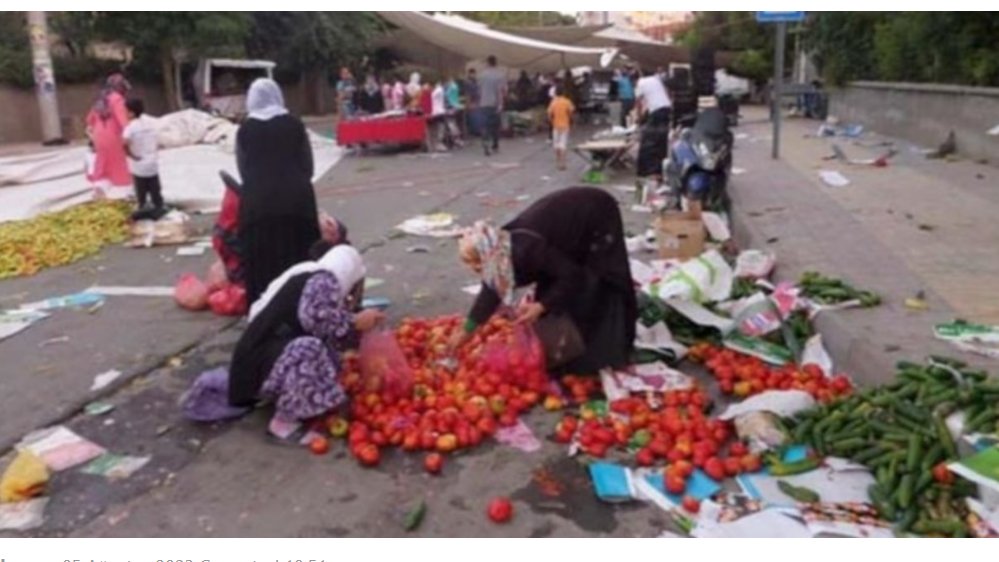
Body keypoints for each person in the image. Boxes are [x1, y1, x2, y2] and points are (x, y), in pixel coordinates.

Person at [452, 187, 637, 376]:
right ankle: (575, 350)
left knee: (597, 285)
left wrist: (541, 305)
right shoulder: (500, 252)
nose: (478, 271)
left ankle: (607, 352)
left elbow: (572, 275)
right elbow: (491, 291)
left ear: (488, 256)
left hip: (596, 215)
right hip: (566, 231)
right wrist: (467, 330)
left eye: (478, 266)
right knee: (556, 296)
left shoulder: (525, 250)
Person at [229, 244, 385, 442]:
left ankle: (294, 399)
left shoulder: (315, 277)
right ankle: (284, 422)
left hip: (266, 357)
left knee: (326, 355)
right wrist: (355, 321)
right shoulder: (323, 281)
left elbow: (322, 325)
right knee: (309, 348)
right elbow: (316, 320)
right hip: (258, 363)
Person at [236, 78, 320, 306]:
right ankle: (303, 310)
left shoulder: (245, 130)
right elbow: (308, 165)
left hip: (258, 204)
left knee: (261, 261)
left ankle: (264, 315)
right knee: (299, 257)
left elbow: (243, 169)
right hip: (296, 201)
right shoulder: (294, 124)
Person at [85, 73, 132, 194]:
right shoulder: (117, 99)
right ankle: (123, 194)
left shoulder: (101, 99)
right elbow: (123, 121)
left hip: (98, 137)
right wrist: (130, 136)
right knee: (118, 166)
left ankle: (99, 191)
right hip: (113, 137)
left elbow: (89, 120)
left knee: (103, 165)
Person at [121, 98, 164, 220]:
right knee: (155, 190)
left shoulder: (130, 128)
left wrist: (131, 155)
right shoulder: (150, 123)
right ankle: (158, 209)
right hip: (152, 163)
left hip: (139, 165)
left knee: (141, 191)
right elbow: (158, 140)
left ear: (131, 113)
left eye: (126, 111)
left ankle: (143, 211)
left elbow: (124, 144)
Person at [635, 68, 673, 182]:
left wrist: (638, 117)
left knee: (649, 140)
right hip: (666, 108)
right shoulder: (656, 79)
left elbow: (638, 102)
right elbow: (665, 94)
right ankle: (659, 169)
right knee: (662, 139)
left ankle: (646, 170)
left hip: (657, 111)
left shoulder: (641, 82)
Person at [478, 56, 507, 156]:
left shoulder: (481, 75)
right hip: (495, 104)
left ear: (488, 63)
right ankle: (495, 145)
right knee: (495, 126)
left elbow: (479, 90)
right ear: (496, 63)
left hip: (484, 103)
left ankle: (486, 144)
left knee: (485, 125)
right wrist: (501, 104)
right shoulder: (500, 75)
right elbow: (503, 91)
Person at [547, 85, 575, 171]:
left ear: (555, 93)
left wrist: (551, 122)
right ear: (563, 92)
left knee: (556, 144)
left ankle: (558, 162)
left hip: (556, 126)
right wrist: (571, 120)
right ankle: (563, 163)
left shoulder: (553, 102)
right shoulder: (567, 102)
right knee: (563, 144)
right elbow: (571, 112)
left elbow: (549, 114)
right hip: (565, 125)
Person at [431, 80, 462, 150]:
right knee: (450, 123)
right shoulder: (442, 90)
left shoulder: (440, 90)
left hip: (441, 110)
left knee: (446, 124)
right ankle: (455, 140)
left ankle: (451, 140)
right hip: (443, 110)